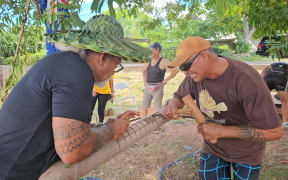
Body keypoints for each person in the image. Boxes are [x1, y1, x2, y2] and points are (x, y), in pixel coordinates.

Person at [0, 15, 151, 180]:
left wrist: (106, 125)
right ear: (102, 57)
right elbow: (72, 151)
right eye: (116, 65)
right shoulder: (76, 71)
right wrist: (110, 130)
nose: (114, 72)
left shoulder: (65, 64)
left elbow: (69, 128)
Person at [162, 36, 282, 179]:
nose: (185, 72)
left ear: (204, 56)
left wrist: (222, 131)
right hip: (214, 148)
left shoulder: (246, 80)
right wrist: (172, 105)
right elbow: (179, 97)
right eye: (181, 68)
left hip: (246, 152)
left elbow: (274, 132)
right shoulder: (194, 76)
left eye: (186, 66)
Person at [141, 42, 178, 119]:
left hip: (158, 88)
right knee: (144, 107)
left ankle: (156, 127)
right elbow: (144, 71)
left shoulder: (163, 61)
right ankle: (142, 125)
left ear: (157, 51)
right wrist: (144, 81)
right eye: (149, 50)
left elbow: (175, 71)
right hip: (148, 87)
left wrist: (165, 81)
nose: (149, 52)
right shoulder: (148, 61)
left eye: (151, 50)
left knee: (157, 109)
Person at [262, 62, 288, 127]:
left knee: (262, 100)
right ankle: (285, 123)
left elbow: (263, 72)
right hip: (281, 79)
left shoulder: (271, 65)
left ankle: (261, 121)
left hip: (267, 78)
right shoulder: (286, 67)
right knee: (285, 102)